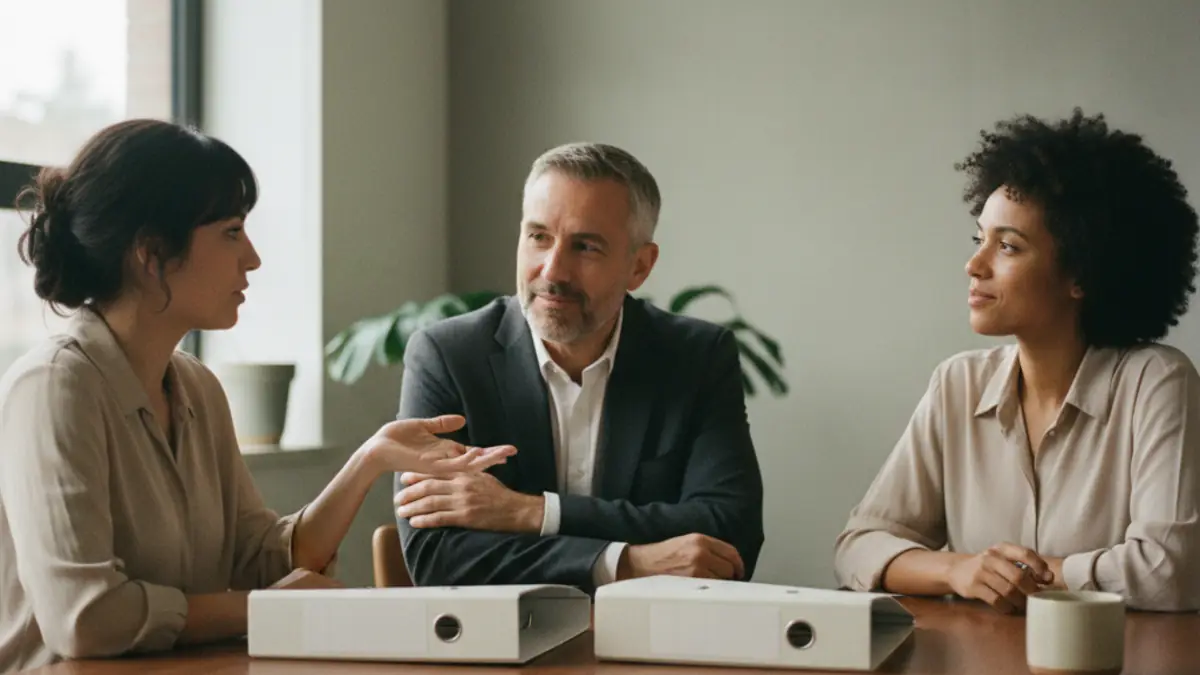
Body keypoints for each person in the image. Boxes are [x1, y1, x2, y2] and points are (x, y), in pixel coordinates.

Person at [0, 119, 515, 672]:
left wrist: (371, 460)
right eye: (230, 232)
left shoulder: (197, 386)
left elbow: (265, 562)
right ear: (150, 254)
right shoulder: (55, 387)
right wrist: (265, 610)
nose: (252, 257)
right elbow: (86, 618)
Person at [834, 108, 1200, 613]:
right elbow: (859, 546)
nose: (974, 265)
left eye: (1007, 246)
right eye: (978, 240)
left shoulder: (1157, 382)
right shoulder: (958, 384)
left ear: (1083, 275)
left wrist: (1032, 575)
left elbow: (1169, 572)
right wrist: (959, 569)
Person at [392, 142, 764, 590]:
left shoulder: (697, 356)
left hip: (657, 644)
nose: (553, 270)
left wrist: (531, 512)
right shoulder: (448, 356)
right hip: (502, 649)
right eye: (539, 237)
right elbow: (437, 558)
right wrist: (626, 563)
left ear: (639, 267)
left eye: (585, 247)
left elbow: (729, 532)